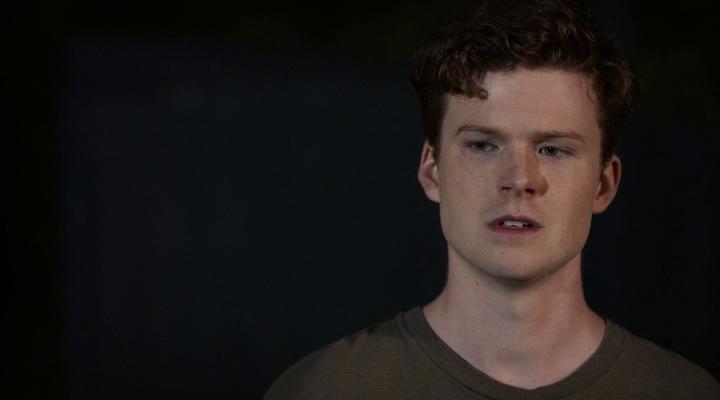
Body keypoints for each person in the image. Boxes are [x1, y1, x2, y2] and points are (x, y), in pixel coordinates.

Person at [264, 0, 720, 398]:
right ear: (432, 171)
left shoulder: (686, 393)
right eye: (483, 145)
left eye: (553, 150)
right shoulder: (325, 390)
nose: (519, 179)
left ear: (604, 184)